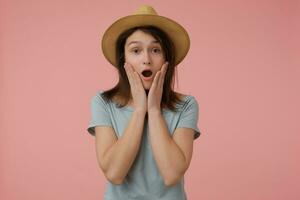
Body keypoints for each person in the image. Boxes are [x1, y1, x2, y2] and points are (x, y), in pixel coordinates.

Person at [87, 5, 201, 200]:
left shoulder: (186, 105)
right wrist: (140, 110)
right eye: (136, 50)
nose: (146, 59)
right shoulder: (103, 103)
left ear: (167, 59)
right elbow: (114, 173)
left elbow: (172, 174)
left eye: (156, 50)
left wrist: (154, 110)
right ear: (124, 60)